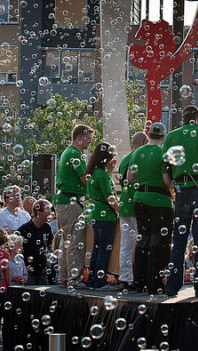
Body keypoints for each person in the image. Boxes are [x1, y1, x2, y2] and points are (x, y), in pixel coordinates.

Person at [163, 106, 198, 298]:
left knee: (179, 240)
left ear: (183, 119)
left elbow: (168, 166)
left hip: (181, 190)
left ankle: (172, 286)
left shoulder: (172, 137)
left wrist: (174, 182)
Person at [128, 123, 173, 294]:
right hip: (160, 202)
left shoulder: (138, 152)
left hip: (140, 199)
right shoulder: (163, 153)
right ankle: (154, 283)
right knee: (158, 243)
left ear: (149, 134)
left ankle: (138, 281)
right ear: (163, 136)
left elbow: (130, 177)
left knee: (143, 241)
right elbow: (166, 181)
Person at [53, 124, 94, 289]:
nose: (90, 142)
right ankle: (74, 279)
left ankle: (63, 278)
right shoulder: (74, 155)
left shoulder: (68, 153)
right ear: (80, 137)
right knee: (76, 241)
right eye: (89, 138)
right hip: (70, 202)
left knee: (65, 241)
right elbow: (86, 179)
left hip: (64, 201)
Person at [85, 142, 119, 290]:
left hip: (94, 214)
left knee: (97, 249)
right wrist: (120, 210)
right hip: (105, 217)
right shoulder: (103, 175)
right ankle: (100, 282)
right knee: (104, 250)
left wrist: (110, 171)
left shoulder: (93, 172)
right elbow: (109, 197)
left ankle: (92, 280)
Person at [117, 131, 149, 290]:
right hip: (138, 205)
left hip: (124, 206)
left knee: (126, 245)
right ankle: (140, 278)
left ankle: (125, 278)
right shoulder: (142, 156)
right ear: (144, 142)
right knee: (142, 244)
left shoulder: (124, 160)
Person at [18, 199, 54, 285]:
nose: (50, 213)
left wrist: (47, 264)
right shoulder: (25, 229)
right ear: (38, 212)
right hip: (29, 272)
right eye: (47, 210)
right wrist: (24, 266)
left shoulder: (47, 227)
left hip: (42, 271)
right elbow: (18, 249)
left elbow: (49, 247)